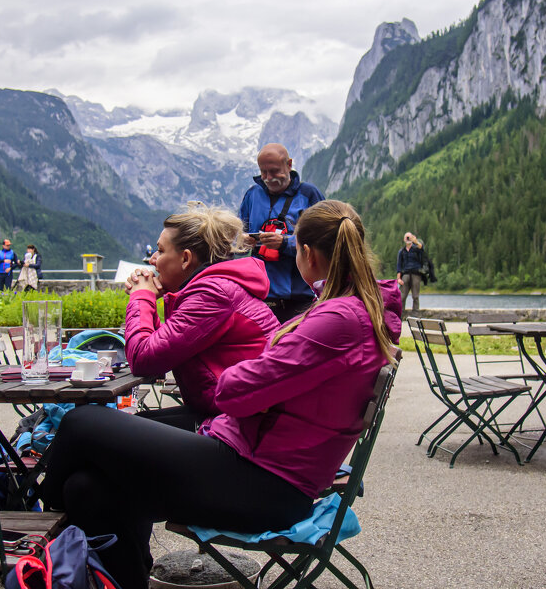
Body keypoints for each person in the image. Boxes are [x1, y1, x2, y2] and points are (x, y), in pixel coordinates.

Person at [39, 199, 401, 588]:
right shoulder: (353, 312)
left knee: (80, 423)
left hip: (263, 482)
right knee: (88, 488)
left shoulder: (337, 319)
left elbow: (233, 391)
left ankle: (39, 540)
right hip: (257, 461)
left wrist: (238, 371)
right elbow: (260, 380)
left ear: (308, 253)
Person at [124, 205, 280, 430]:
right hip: (232, 417)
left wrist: (142, 296)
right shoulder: (216, 288)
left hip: (242, 429)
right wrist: (148, 300)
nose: (153, 260)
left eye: (160, 251)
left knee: (86, 425)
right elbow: (161, 349)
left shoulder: (212, 295)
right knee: (110, 430)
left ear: (186, 258)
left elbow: (143, 359)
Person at [238, 143, 325, 322]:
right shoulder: (252, 195)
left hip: (301, 297)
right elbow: (238, 234)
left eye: (274, 171)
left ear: (289, 164)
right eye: (263, 172)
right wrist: (243, 241)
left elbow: (324, 241)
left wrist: (285, 243)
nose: (268, 178)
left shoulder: (309, 195)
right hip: (260, 295)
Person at [395, 231, 433, 313]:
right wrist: (398, 278)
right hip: (405, 274)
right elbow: (399, 265)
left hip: (416, 273)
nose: (408, 239)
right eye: (407, 237)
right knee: (402, 296)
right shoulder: (401, 252)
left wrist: (415, 241)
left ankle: (415, 314)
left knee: (415, 296)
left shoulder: (416, 249)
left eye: (410, 237)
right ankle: (400, 314)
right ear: (404, 239)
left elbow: (422, 248)